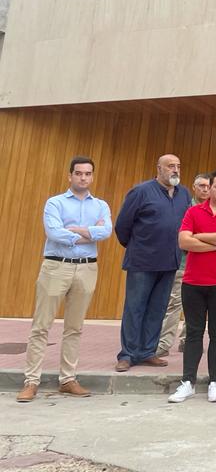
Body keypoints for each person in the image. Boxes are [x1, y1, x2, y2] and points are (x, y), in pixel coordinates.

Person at [18, 157, 111, 402]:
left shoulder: (101, 206)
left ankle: (68, 379)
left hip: (86, 269)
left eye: (88, 173)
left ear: (92, 176)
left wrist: (76, 231)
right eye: (78, 173)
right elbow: (53, 232)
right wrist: (89, 232)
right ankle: (31, 381)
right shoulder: (55, 203)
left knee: (74, 327)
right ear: (70, 175)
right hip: (55, 267)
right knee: (41, 325)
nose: (83, 177)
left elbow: (106, 231)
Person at [168, 170, 216, 404]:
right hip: (193, 282)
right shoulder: (194, 211)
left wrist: (200, 237)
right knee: (193, 332)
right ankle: (188, 382)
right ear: (209, 188)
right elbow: (184, 241)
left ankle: (215, 382)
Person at [114, 154, 191, 372]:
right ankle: (127, 354)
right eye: (170, 166)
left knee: (158, 309)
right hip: (142, 262)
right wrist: (138, 246)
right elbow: (122, 226)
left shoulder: (184, 194)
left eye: (178, 166)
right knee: (135, 308)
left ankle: (148, 351)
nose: (175, 170)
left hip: (169, 263)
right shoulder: (141, 191)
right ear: (158, 168)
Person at [158, 173, 210, 358]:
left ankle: (188, 341)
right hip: (183, 264)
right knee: (175, 304)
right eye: (201, 186)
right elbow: (183, 236)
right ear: (194, 188)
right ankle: (163, 344)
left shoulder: (214, 211)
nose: (205, 189)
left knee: (198, 307)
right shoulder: (185, 208)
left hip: (205, 266)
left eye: (207, 186)